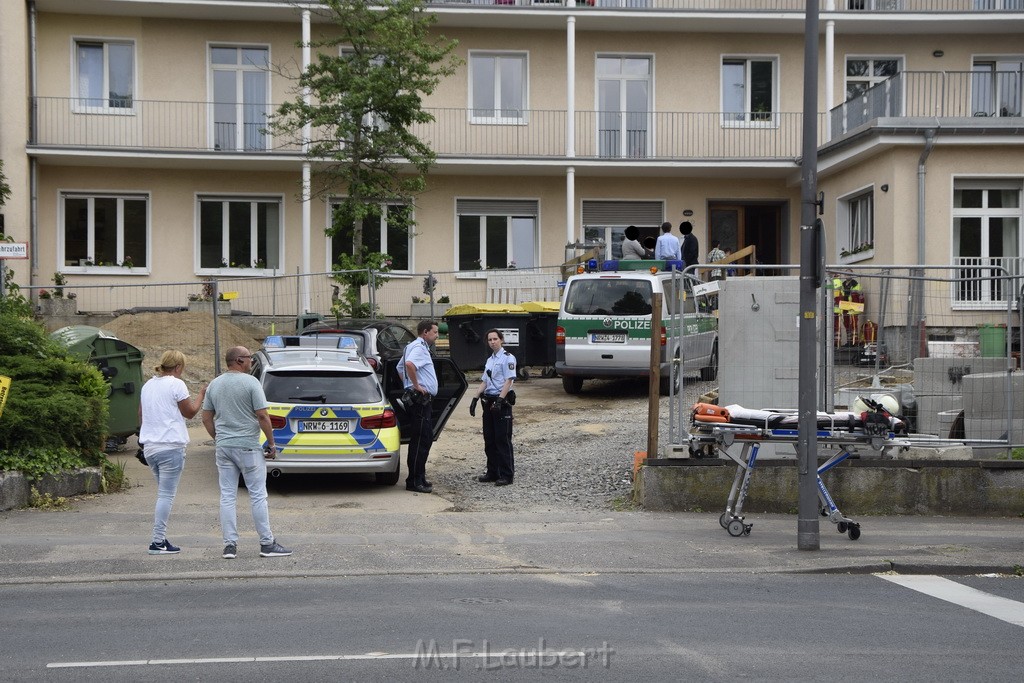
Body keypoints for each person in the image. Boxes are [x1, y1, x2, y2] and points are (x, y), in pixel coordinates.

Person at [202, 346, 292, 559]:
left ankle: (230, 546)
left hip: (224, 448)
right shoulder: (251, 383)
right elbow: (262, 416)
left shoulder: (214, 384)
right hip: (249, 447)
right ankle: (267, 543)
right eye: (249, 358)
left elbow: (206, 418)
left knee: (227, 496)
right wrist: (271, 444)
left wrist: (219, 439)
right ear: (239, 360)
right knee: (258, 495)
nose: (251, 361)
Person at [139, 350, 206, 555]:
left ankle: (161, 538)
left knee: (163, 494)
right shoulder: (176, 384)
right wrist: (202, 394)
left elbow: (141, 415)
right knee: (166, 496)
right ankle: (157, 541)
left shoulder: (148, 385)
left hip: (150, 448)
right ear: (178, 367)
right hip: (170, 447)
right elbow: (190, 412)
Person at [469, 329, 516, 486]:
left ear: (501, 340)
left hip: (500, 403)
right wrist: (475, 398)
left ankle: (507, 475)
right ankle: (493, 472)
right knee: (489, 439)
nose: (492, 342)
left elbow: (508, 381)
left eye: (495, 339)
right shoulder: (490, 360)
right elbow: (485, 381)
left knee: (502, 439)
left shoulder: (508, 358)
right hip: (488, 402)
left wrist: (500, 400)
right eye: (490, 339)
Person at [400, 320, 439, 493]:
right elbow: (408, 365)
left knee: (422, 439)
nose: (437, 335)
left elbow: (399, 367)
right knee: (421, 441)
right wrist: (415, 385)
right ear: (425, 332)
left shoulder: (412, 346)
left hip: (419, 401)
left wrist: (408, 384)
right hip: (421, 401)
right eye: (435, 332)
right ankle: (415, 481)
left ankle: (419, 477)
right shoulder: (419, 348)